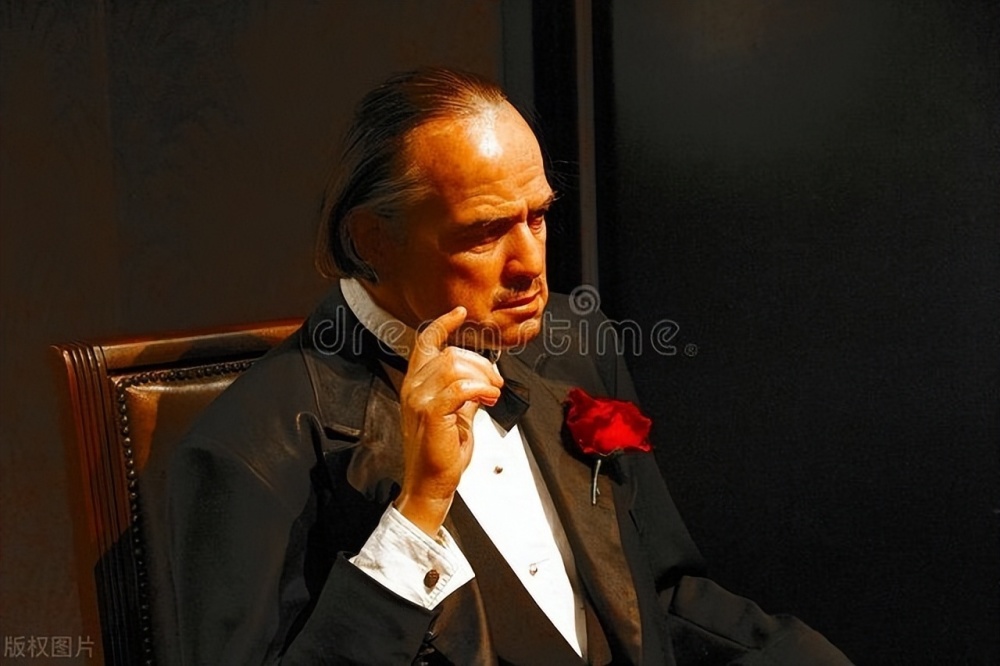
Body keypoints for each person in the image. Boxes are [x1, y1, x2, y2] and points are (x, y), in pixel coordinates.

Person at [168, 67, 851, 665]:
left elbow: (660, 593)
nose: (529, 264)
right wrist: (418, 510)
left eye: (539, 217)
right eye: (485, 231)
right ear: (373, 239)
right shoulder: (248, 450)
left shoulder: (575, 341)